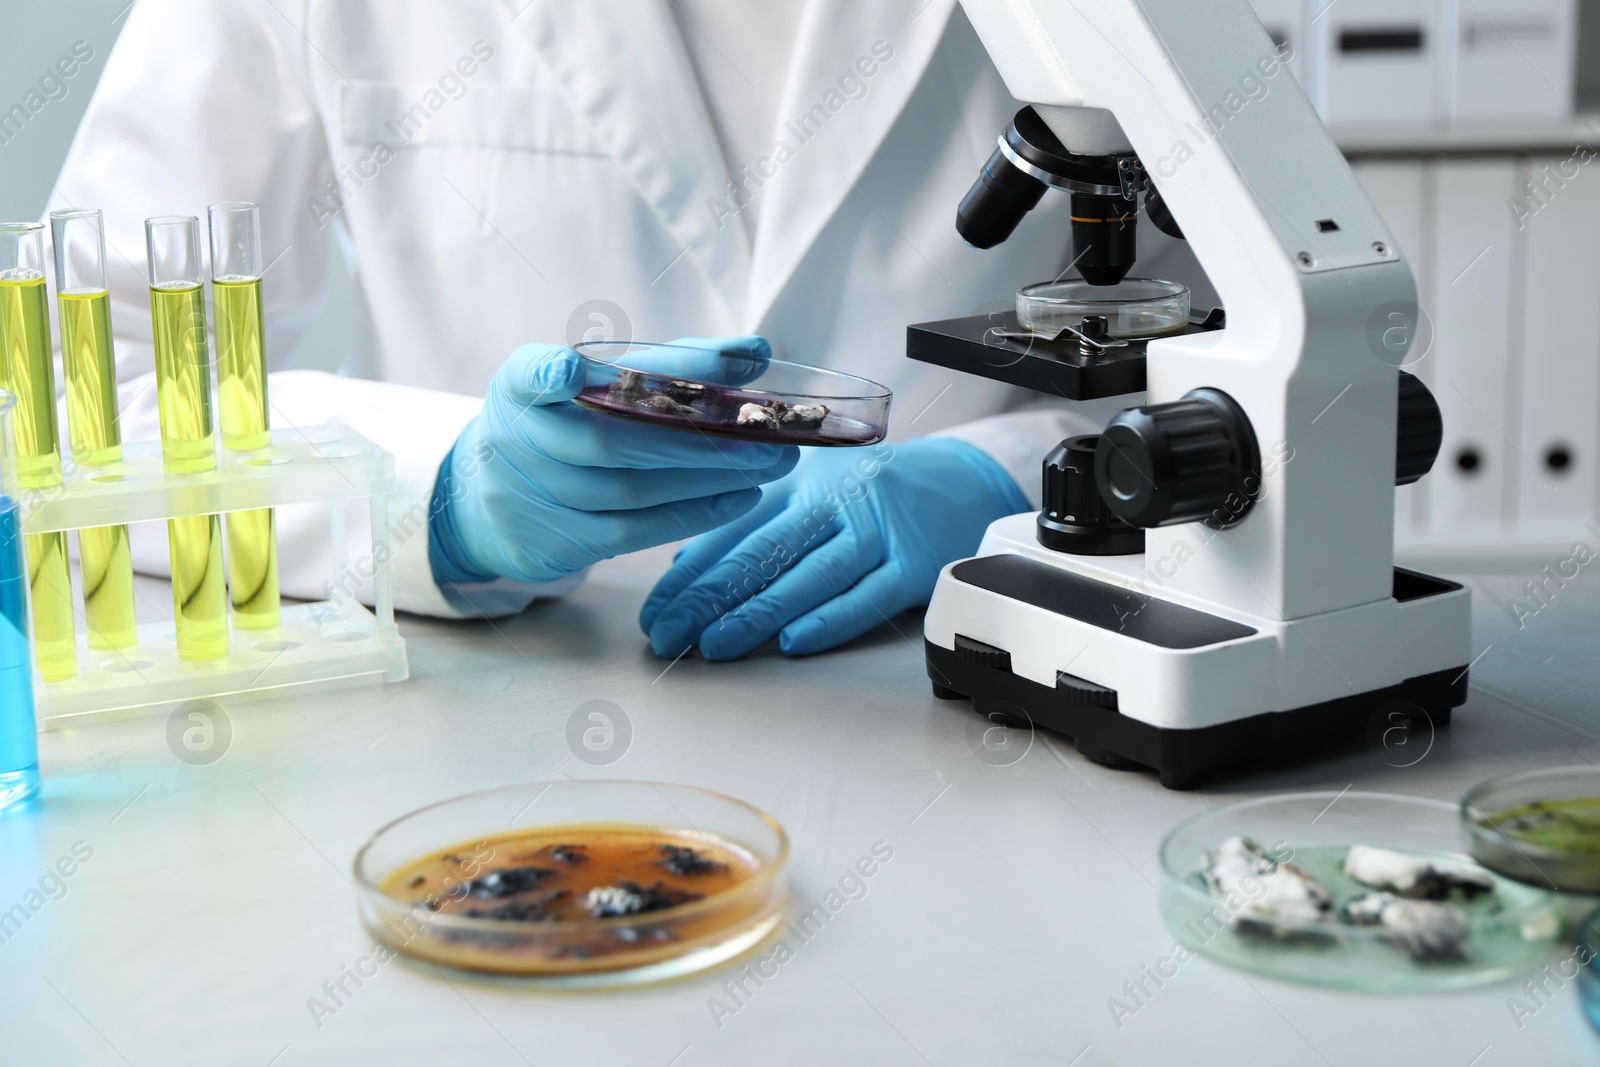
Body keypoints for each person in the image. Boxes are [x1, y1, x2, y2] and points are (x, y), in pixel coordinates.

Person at [49, 0, 1187, 658]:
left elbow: (1267, 367)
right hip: (493, 688)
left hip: (980, 667)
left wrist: (1012, 486)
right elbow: (77, 396)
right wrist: (433, 497)